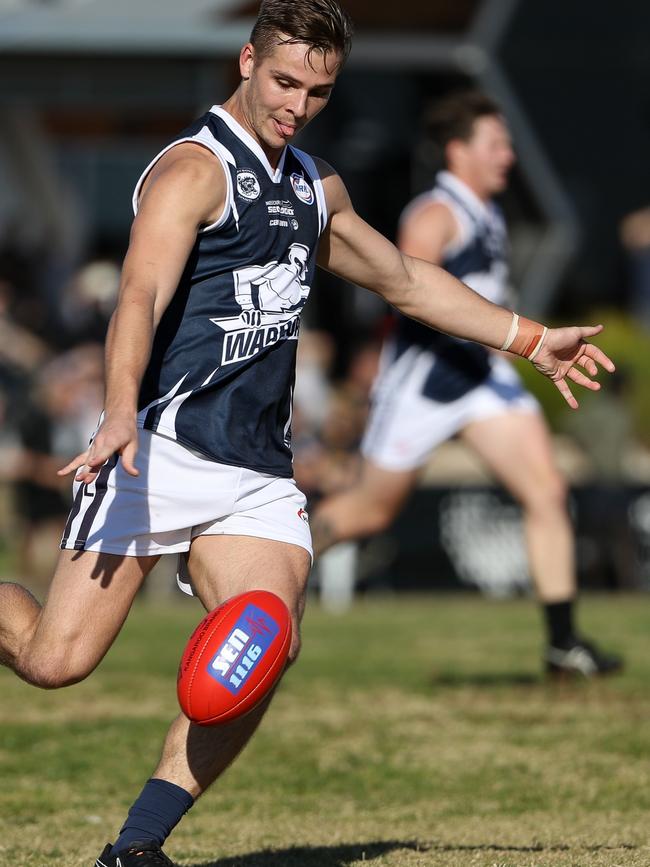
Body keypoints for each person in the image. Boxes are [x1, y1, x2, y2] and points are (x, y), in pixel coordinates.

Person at [0, 7, 616, 866]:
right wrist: (114, 407)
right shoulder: (192, 171)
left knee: (267, 637)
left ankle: (135, 846)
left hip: (254, 472)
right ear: (248, 60)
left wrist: (527, 336)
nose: (298, 103)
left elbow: (402, 278)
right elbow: (135, 296)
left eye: (319, 91)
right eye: (285, 81)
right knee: (53, 660)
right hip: (158, 446)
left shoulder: (315, 186)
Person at [310, 89, 622, 679]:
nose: (508, 155)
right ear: (458, 150)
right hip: (426, 380)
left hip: (482, 379)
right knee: (367, 513)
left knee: (546, 491)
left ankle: (563, 646)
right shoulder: (436, 212)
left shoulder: (487, 210)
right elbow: (404, 286)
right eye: (495, 143)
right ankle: (272, 564)